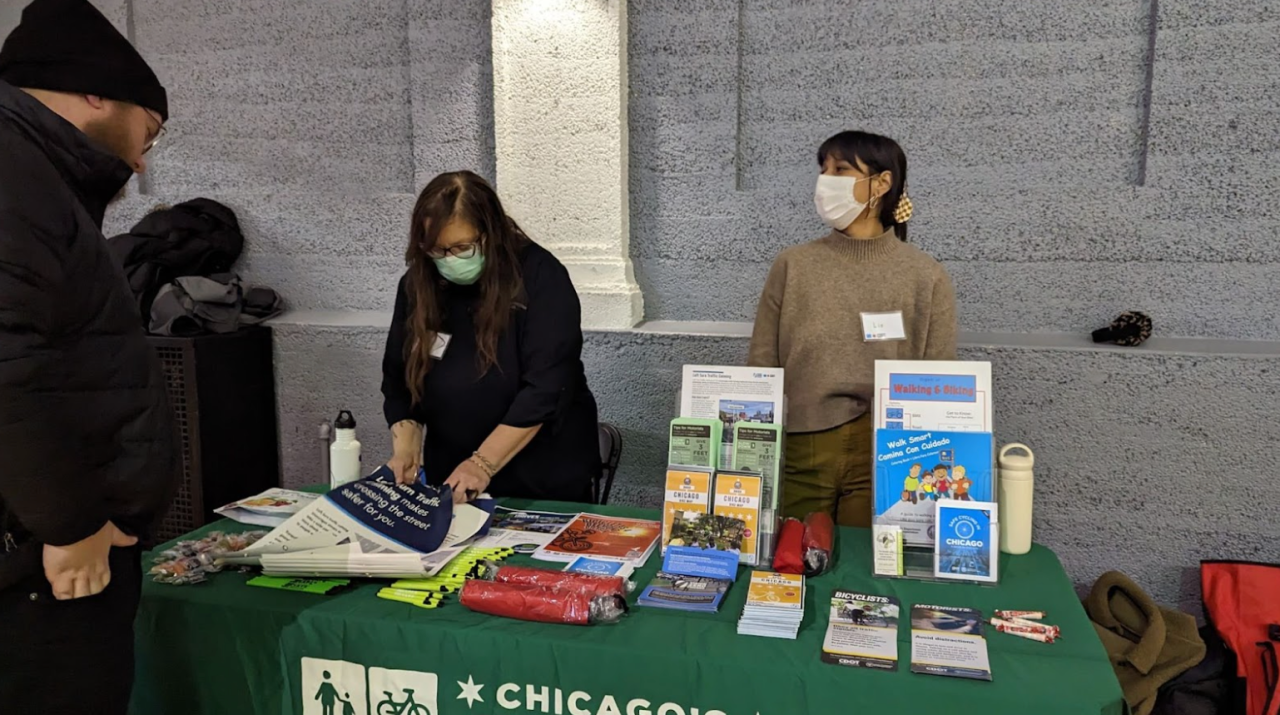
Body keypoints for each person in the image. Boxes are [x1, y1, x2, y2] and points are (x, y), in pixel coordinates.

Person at [0, 1, 179, 713]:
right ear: (96, 89)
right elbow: (8, 369)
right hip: (49, 569)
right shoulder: (15, 177)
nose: (141, 161)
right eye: (150, 131)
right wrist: (70, 525)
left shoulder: (38, 176)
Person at [748, 130, 957, 527]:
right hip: (801, 447)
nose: (826, 180)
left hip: (890, 454)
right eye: (823, 169)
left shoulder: (925, 276)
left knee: (867, 573)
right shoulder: (793, 265)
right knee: (793, 560)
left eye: (841, 169)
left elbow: (940, 377)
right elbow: (761, 363)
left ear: (881, 183)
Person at [381, 171, 600, 503]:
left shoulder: (541, 278)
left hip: (540, 482)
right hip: (452, 483)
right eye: (437, 251)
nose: (449, 260)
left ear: (491, 233)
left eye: (461, 247)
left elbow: (545, 389)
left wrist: (481, 464)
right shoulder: (418, 286)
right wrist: (406, 443)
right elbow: (398, 378)